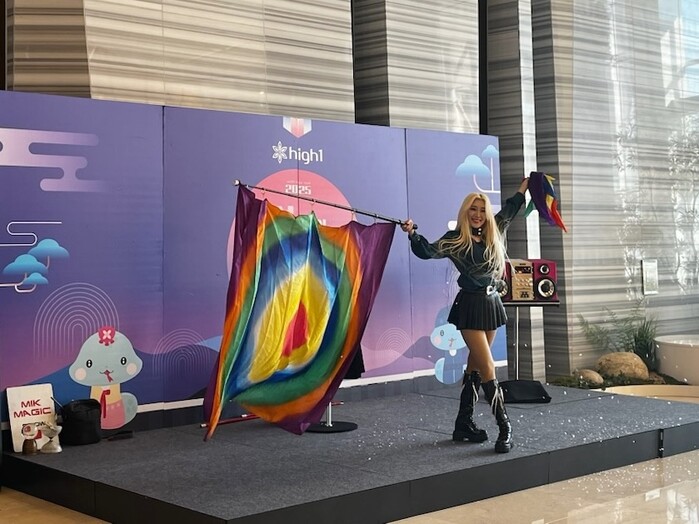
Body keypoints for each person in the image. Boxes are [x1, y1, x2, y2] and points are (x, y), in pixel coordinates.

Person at [401, 178, 529, 453]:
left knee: (475, 366)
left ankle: (463, 423)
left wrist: (523, 189)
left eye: (482, 210)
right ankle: (505, 427)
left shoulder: (495, 230)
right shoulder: (456, 239)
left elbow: (510, 209)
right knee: (488, 367)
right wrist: (412, 234)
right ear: (465, 211)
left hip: (492, 303)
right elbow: (427, 251)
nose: (478, 214)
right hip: (470, 306)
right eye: (473, 209)